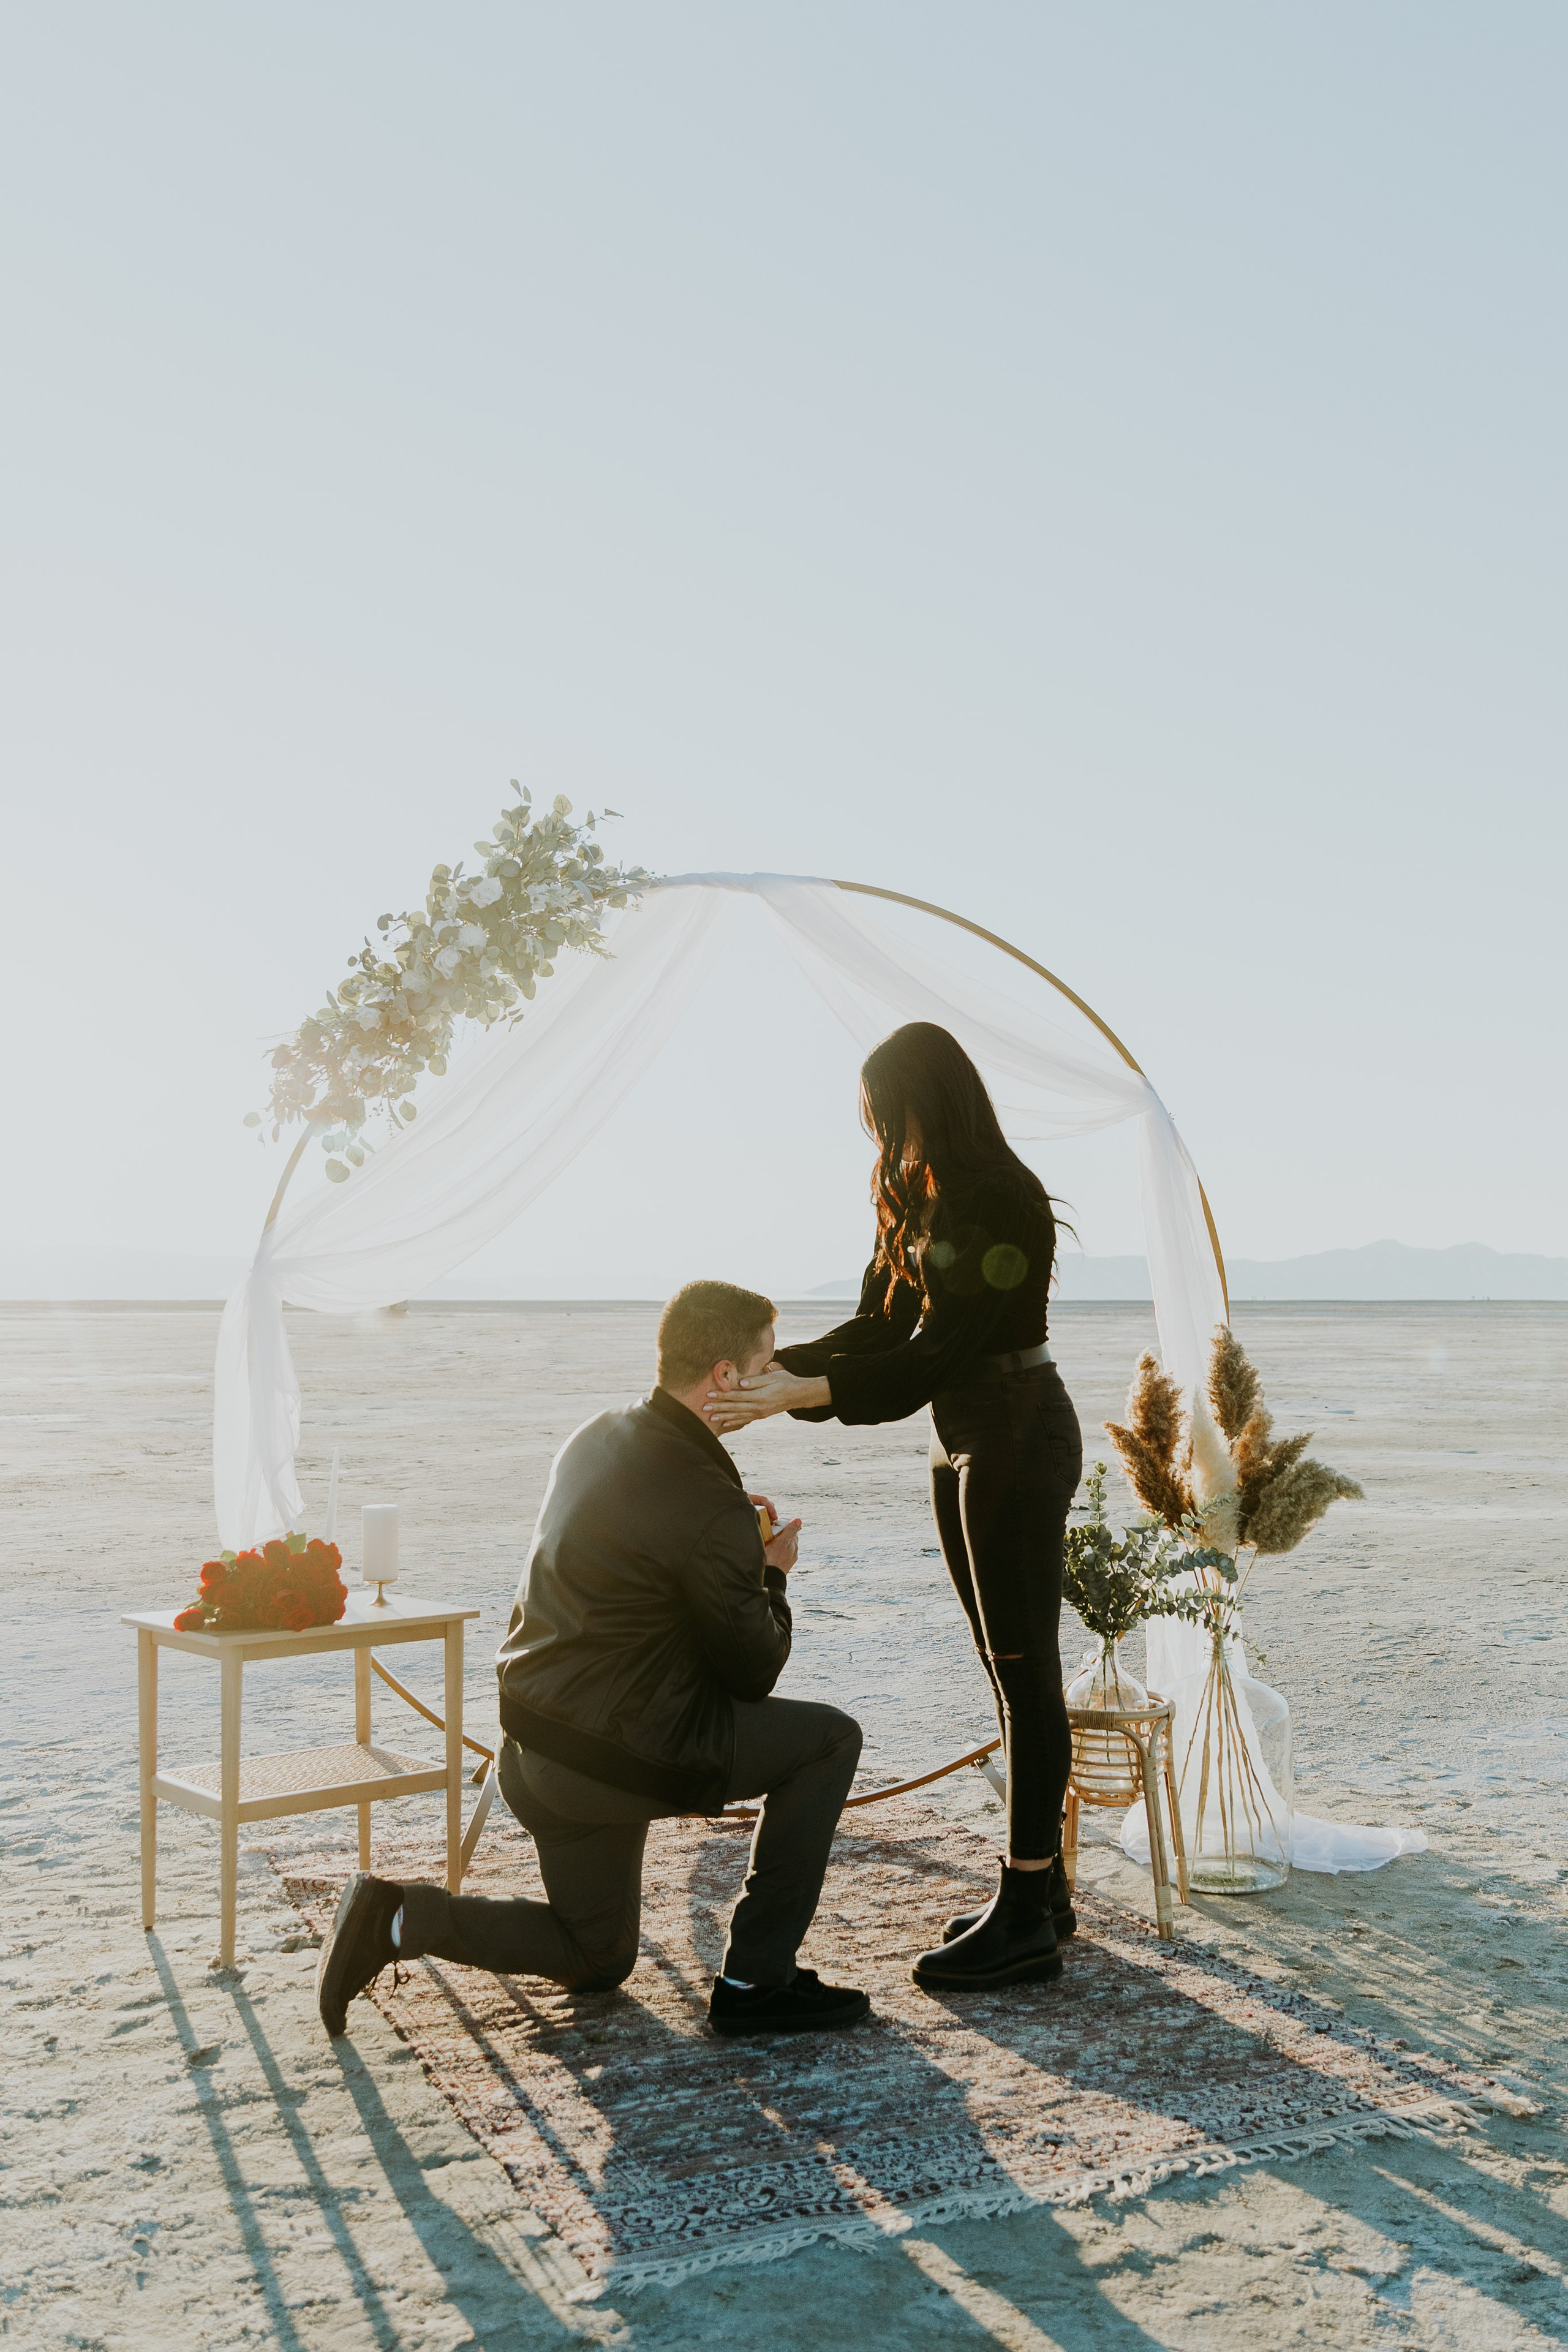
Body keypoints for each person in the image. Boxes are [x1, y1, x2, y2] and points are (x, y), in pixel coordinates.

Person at [317, 1280, 870, 2040]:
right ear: (724, 1377)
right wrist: (769, 1572)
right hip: (616, 1753)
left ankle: (399, 1915)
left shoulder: (598, 1433)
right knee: (830, 1740)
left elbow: (628, 1575)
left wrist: (727, 1553)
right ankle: (754, 1980)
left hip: (536, 1745)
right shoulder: (708, 1496)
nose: (774, 1383)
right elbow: (754, 1670)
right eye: (767, 1365)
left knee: (599, 1954)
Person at [705, 1023, 1083, 1993]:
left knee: (1025, 1667)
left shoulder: (999, 1198)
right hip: (961, 1436)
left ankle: (1029, 1907)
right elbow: (880, 1325)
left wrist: (796, 1396)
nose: (883, 1138)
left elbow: (931, 1358)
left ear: (932, 1101)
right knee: (1002, 1668)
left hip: (1015, 1429)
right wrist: (774, 1372)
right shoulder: (915, 1194)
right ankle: (1043, 1894)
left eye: (890, 1116)